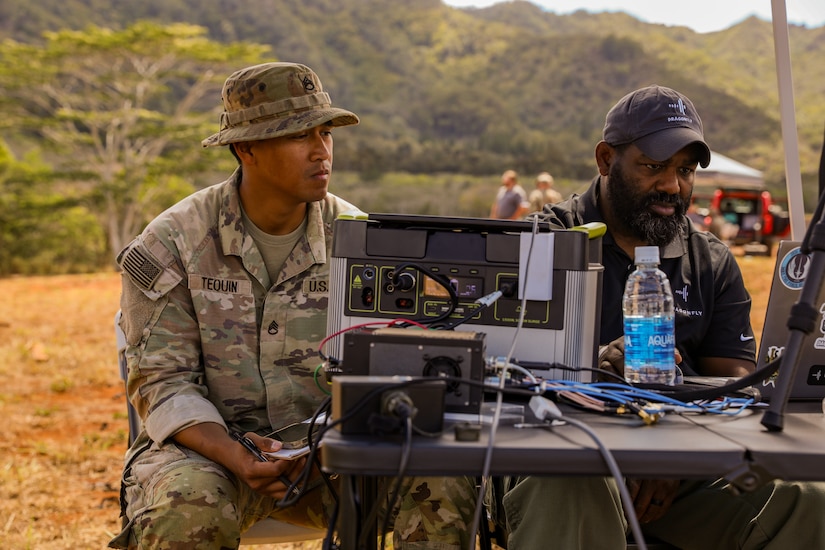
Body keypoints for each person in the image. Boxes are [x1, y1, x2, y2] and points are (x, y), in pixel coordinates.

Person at [108, 62, 476, 550]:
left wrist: (337, 440)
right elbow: (162, 381)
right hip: (209, 455)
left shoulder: (360, 241)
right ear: (246, 148)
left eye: (325, 133)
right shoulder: (175, 242)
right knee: (186, 506)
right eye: (298, 135)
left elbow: (394, 363)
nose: (321, 151)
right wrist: (238, 455)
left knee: (444, 482)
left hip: (336, 455)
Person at [498, 85, 825, 549]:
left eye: (685, 171)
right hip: (561, 455)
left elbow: (735, 380)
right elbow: (503, 372)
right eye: (654, 167)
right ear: (606, 159)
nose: (673, 186)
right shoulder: (544, 242)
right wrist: (593, 366)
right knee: (573, 486)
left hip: (679, 469)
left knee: (807, 499)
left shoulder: (710, 259)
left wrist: (678, 454)